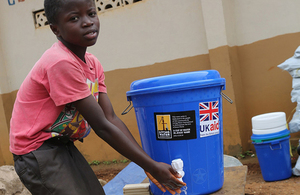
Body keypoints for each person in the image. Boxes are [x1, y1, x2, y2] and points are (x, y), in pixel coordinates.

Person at [9, 0, 186, 194]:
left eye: (91, 13)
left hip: (61, 144)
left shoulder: (92, 64)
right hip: (36, 150)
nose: (87, 22)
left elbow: (110, 118)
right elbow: (102, 126)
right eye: (74, 18)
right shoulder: (59, 62)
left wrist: (147, 163)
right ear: (55, 29)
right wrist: (151, 166)